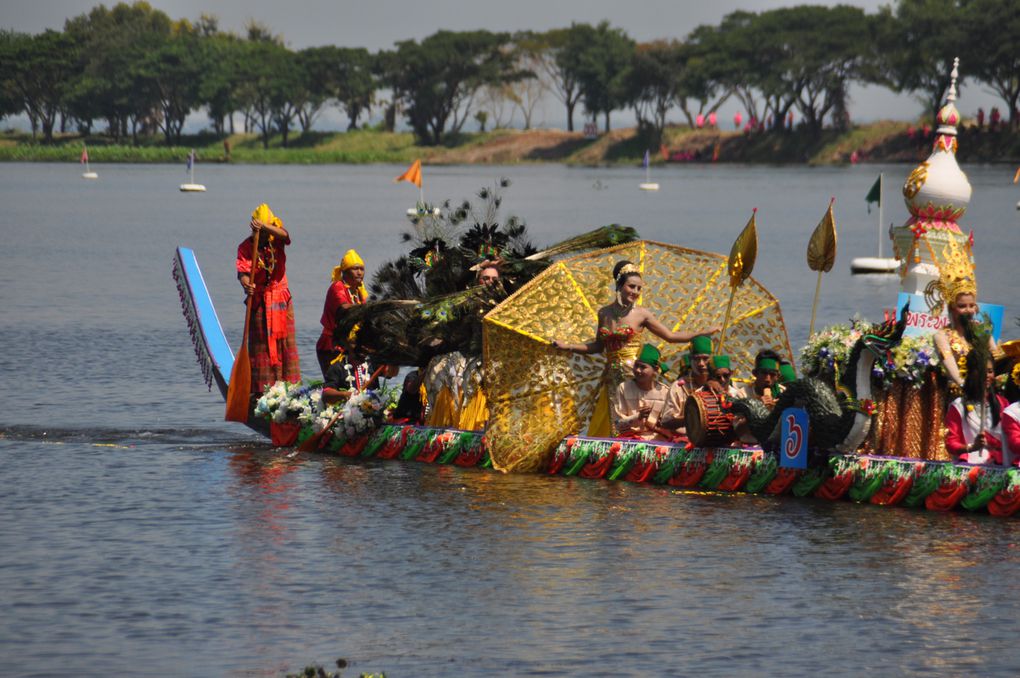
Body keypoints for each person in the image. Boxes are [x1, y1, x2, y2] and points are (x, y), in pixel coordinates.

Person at [551, 260, 719, 436]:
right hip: (611, 375)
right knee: (613, 420)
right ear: (619, 285)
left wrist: (702, 332)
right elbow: (598, 346)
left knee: (638, 421)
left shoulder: (642, 314)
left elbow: (670, 336)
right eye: (632, 287)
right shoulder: (604, 313)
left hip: (635, 373)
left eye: (639, 288)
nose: (636, 292)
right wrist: (568, 346)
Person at [236, 203, 300, 395]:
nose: (263, 236)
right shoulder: (246, 247)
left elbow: (286, 235)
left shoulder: (276, 240)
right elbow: (242, 271)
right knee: (261, 347)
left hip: (280, 299)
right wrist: (247, 284)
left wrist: (265, 228)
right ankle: (262, 391)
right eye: (259, 232)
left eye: (265, 231)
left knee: (285, 345)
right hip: (259, 301)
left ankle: (289, 389)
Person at [945, 353, 1006, 464]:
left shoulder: (1002, 403)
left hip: (1001, 467)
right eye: (982, 371)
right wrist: (972, 447)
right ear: (971, 373)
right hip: (971, 469)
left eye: (990, 371)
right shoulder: (958, 406)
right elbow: (951, 443)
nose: (986, 376)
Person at [316, 249, 368, 378]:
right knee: (336, 383)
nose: (359, 272)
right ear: (344, 272)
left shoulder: (359, 292)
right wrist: (369, 309)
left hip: (351, 345)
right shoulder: (337, 287)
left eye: (361, 269)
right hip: (332, 346)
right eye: (355, 269)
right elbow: (345, 309)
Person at [611, 344, 671, 441]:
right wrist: (638, 416)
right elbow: (618, 424)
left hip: (659, 442)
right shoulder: (624, 388)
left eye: (643, 367)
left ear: (655, 369)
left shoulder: (665, 391)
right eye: (636, 365)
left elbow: (669, 425)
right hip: (630, 442)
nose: (638, 370)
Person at [661, 335, 715, 436]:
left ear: (712, 359)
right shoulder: (679, 386)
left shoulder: (721, 383)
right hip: (683, 441)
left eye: (705, 359)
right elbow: (665, 422)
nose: (701, 364)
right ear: (690, 360)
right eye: (696, 359)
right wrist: (691, 419)